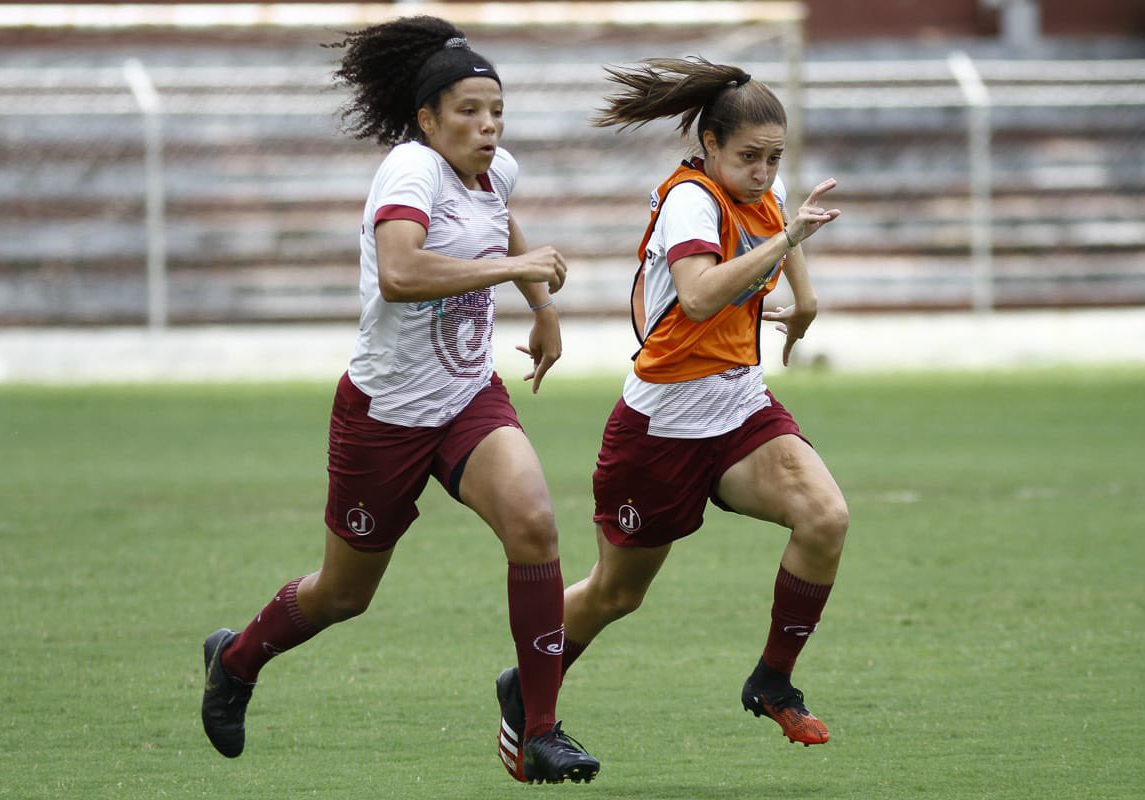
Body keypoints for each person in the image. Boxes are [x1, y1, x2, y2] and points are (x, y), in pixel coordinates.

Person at [200, 16, 599, 785]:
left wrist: (542, 308)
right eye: (469, 114)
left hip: (467, 402)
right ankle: (237, 659)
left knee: (536, 523)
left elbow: (499, 220)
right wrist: (516, 268)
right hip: (384, 416)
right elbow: (401, 274)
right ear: (427, 119)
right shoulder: (409, 172)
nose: (487, 129)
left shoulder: (495, 168)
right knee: (345, 594)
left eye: (496, 114)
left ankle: (539, 728)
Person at [495, 56, 849, 767]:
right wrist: (788, 244)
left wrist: (802, 308)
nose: (764, 170)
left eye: (774, 157)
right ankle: (526, 693)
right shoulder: (691, 200)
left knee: (825, 517)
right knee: (616, 595)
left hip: (740, 408)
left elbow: (788, 259)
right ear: (710, 144)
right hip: (661, 430)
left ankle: (773, 679)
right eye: (749, 156)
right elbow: (696, 296)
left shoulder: (765, 193)